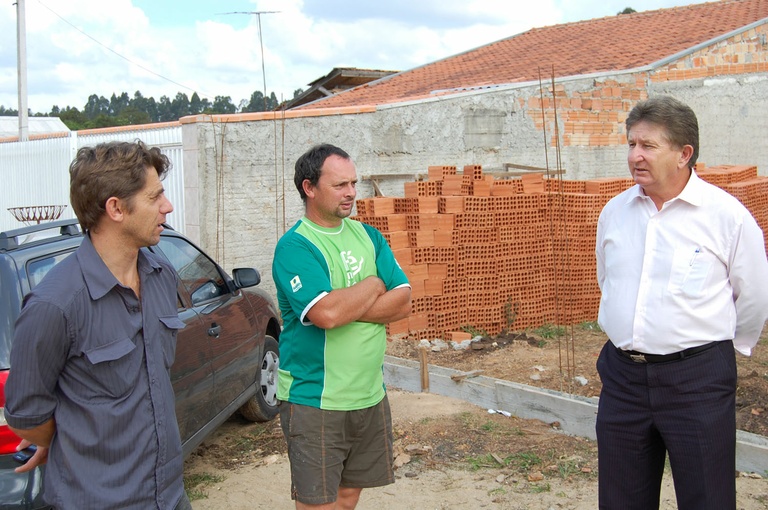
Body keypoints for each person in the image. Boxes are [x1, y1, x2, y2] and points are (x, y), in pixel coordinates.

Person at [595, 95, 768, 510]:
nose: (635, 156)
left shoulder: (726, 216)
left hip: (697, 381)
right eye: (632, 144)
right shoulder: (615, 213)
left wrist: (723, 350)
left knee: (707, 498)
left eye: (649, 146)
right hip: (623, 380)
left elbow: (753, 295)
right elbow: (609, 281)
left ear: (684, 154)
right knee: (621, 499)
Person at [4, 141, 191, 510]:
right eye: (155, 197)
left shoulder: (161, 275)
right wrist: (73, 439)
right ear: (116, 208)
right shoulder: (54, 305)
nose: (167, 206)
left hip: (170, 496)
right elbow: (26, 417)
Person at [272, 143, 412, 509]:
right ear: (309, 187)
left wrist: (346, 303)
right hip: (315, 399)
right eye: (339, 185)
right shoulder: (295, 247)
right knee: (317, 503)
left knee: (348, 497)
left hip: (368, 394)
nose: (351, 192)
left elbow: (403, 301)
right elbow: (327, 315)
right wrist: (374, 284)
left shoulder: (368, 236)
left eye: (353, 183)